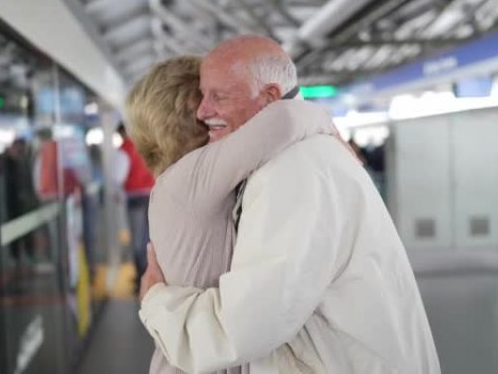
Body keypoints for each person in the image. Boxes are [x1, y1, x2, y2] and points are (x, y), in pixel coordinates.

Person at [139, 35, 441, 373]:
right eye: (203, 96)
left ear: (270, 99)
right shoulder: (293, 158)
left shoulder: (293, 171)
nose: (203, 111)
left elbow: (244, 326)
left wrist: (156, 302)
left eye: (219, 97)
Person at [126, 55, 338, 374]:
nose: (214, 110)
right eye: (209, 99)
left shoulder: (175, 184)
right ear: (191, 115)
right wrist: (325, 125)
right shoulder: (191, 177)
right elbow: (285, 121)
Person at [116, 123, 156, 291]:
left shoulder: (124, 150)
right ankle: (152, 274)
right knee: (149, 237)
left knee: (138, 240)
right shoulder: (145, 145)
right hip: (151, 195)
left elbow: (117, 176)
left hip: (135, 197)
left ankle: (141, 279)